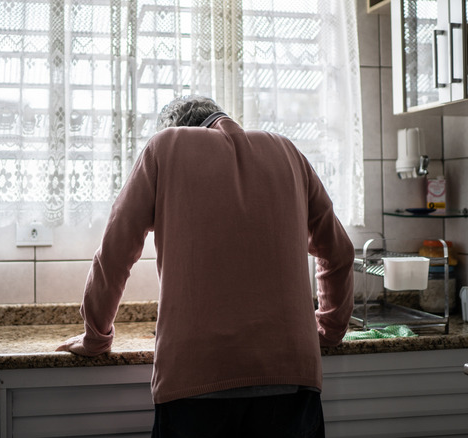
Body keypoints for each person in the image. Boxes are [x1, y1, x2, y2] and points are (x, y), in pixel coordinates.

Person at [57, 95, 354, 437]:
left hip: (195, 384)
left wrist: (96, 335)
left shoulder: (165, 147)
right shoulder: (288, 152)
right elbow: (340, 253)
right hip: (292, 380)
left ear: (180, 129)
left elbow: (115, 251)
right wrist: (329, 330)